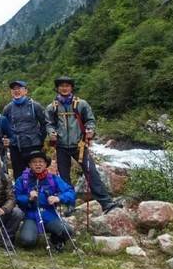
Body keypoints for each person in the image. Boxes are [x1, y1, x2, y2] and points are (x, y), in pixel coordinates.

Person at [45, 76, 121, 215]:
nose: (64, 88)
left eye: (67, 86)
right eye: (61, 86)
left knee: (91, 172)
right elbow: (49, 124)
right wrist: (51, 133)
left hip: (79, 146)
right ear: (57, 88)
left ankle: (106, 202)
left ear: (71, 88)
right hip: (61, 146)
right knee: (64, 177)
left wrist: (90, 130)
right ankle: (69, 205)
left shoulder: (81, 104)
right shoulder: (52, 107)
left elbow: (90, 120)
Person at [14, 151, 75, 251]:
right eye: (34, 162)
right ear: (29, 164)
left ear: (46, 164)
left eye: (40, 161)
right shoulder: (22, 180)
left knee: (67, 231)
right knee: (27, 241)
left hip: (50, 215)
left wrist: (58, 198)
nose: (38, 164)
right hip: (31, 216)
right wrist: (28, 198)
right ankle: (33, 234)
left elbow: (70, 192)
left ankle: (55, 239)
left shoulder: (53, 179)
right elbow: (16, 197)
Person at [3, 80, 47, 176]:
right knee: (18, 174)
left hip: (33, 145)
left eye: (19, 88)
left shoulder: (35, 106)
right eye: (14, 89)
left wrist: (40, 139)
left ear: (26, 91)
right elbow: (5, 127)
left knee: (34, 172)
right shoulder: (8, 108)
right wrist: (8, 140)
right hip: (15, 146)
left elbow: (44, 124)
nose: (16, 91)